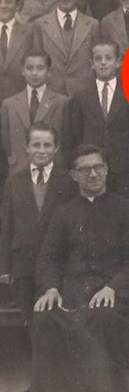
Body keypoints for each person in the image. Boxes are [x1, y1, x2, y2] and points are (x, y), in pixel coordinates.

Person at [32, 143, 129, 392]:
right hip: (72, 295)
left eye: (98, 167)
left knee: (102, 316)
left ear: (106, 170)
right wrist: (50, 288)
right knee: (44, 317)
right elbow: (48, 258)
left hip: (114, 297)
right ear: (74, 175)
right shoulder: (63, 214)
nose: (92, 174)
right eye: (85, 170)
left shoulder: (126, 209)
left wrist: (113, 288)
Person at [0, 121, 76, 324]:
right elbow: (6, 226)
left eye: (47, 145)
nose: (41, 151)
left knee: (55, 318)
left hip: (57, 262)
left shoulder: (67, 181)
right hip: (24, 263)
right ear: (26, 147)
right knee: (29, 319)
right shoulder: (14, 182)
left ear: (56, 148)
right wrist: (5, 267)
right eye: (36, 145)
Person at [67, 40, 129, 203]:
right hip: (92, 167)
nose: (103, 63)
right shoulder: (81, 97)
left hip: (123, 166)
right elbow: (76, 134)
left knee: (124, 206)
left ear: (117, 62)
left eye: (108, 58)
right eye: (98, 59)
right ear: (91, 64)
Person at [1, 49, 69, 177]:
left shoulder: (62, 102)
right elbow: (6, 141)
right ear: (22, 71)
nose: (34, 73)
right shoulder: (9, 104)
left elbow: (65, 138)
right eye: (29, 68)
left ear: (49, 72)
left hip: (52, 167)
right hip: (19, 168)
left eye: (40, 68)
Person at [31, 0, 100, 97]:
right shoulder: (40, 25)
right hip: (52, 94)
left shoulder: (92, 25)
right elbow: (38, 63)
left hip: (83, 93)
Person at [0, 0, 34, 101]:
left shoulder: (29, 32)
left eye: (8, 1)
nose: (3, 6)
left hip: (18, 101)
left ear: (17, 5)